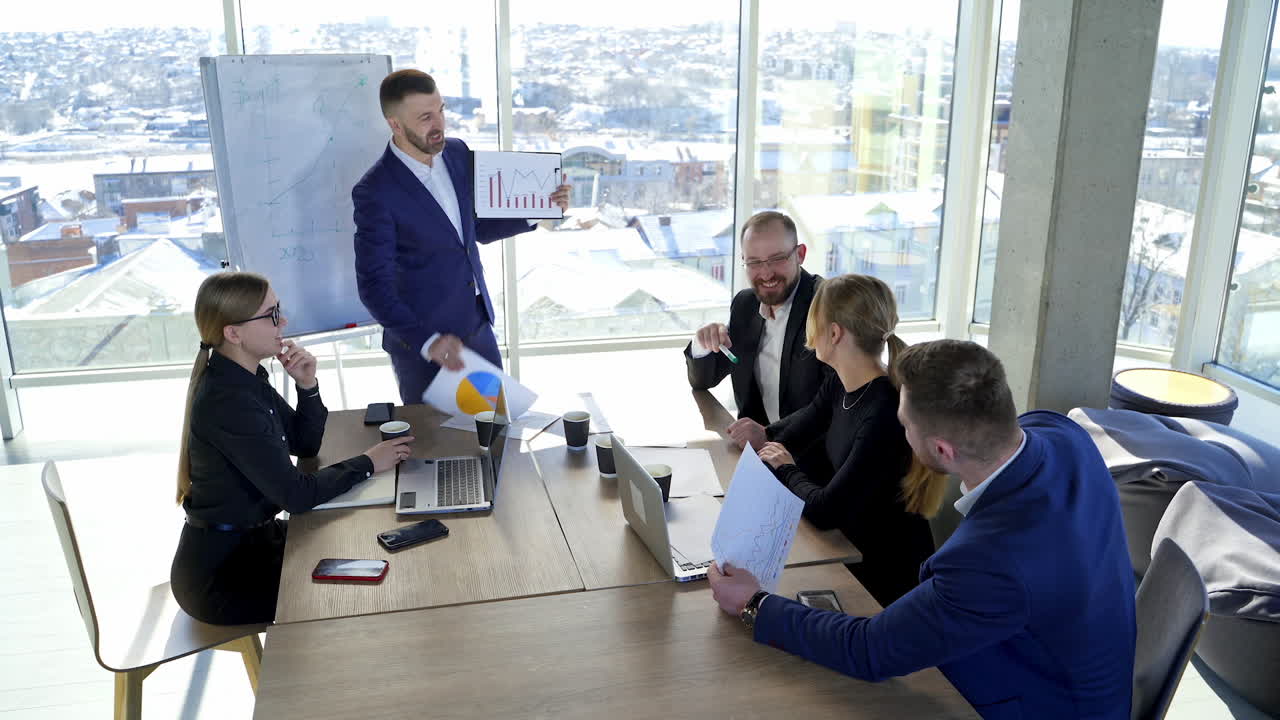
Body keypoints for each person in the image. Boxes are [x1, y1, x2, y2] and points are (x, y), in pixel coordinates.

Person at [709, 340, 1137, 719]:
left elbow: (869, 650)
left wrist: (754, 603)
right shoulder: (1063, 434)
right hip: (1072, 663)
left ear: (941, 450)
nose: (901, 431)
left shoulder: (987, 562)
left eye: (905, 424)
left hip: (1041, 703)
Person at [170, 272, 414, 626]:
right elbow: (296, 496)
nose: (283, 322)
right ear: (233, 333)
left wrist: (307, 385)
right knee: (359, 595)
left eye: (279, 310)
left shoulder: (245, 378)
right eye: (270, 315)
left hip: (257, 544)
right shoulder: (229, 402)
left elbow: (304, 443)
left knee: (367, 554)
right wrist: (368, 463)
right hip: (225, 578)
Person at [353, 70, 570, 405]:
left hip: (477, 328)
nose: (439, 123)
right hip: (425, 347)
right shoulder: (375, 192)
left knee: (498, 432)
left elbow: (474, 229)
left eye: (441, 110)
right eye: (425, 117)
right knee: (441, 448)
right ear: (395, 124)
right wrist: (428, 342)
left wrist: (536, 210)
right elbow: (373, 286)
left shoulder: (456, 153)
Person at [754, 274, 939, 606]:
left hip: (884, 579)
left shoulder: (883, 412)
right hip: (847, 548)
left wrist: (785, 468)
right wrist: (769, 447)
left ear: (834, 333)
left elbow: (827, 510)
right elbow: (793, 437)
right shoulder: (840, 384)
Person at [684, 211, 831, 466]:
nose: (765, 273)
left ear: (800, 254)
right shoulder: (745, 304)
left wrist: (768, 435)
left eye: (777, 259)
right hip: (754, 459)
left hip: (810, 464)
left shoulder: (828, 306)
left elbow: (834, 402)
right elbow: (702, 381)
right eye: (754, 262)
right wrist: (701, 344)